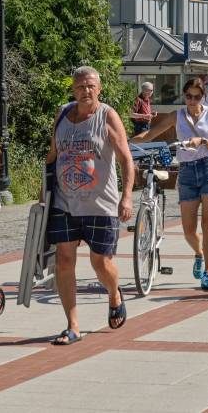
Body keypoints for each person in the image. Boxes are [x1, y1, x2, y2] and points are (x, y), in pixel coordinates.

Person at [45, 66, 135, 345]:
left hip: (100, 203)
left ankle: (114, 294)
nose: (86, 91)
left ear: (100, 88)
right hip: (65, 201)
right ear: (73, 89)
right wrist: (43, 196)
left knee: (100, 262)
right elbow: (52, 155)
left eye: (91, 86)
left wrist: (127, 196)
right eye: (80, 86)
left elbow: (126, 160)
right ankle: (72, 326)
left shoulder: (107, 116)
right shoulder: (62, 114)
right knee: (63, 260)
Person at [134, 77, 208, 291]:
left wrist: (202, 141)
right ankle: (199, 253)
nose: (192, 100)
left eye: (196, 96)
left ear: (203, 97)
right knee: (188, 230)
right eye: (188, 96)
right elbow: (151, 134)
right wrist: (128, 141)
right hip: (186, 171)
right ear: (184, 96)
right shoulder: (177, 115)